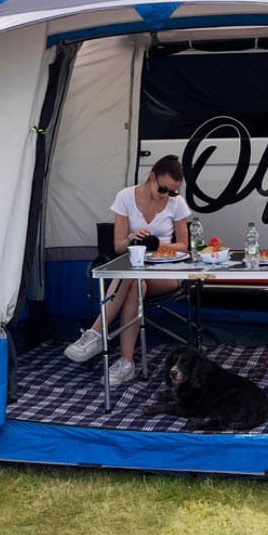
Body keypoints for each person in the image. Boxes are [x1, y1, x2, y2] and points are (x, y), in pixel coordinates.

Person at [64, 155, 190, 387]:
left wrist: (156, 244)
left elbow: (183, 245)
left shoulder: (177, 203)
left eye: (172, 191)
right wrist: (132, 238)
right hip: (135, 270)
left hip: (165, 272)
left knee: (132, 277)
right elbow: (119, 245)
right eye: (164, 189)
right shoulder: (126, 197)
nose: (167, 195)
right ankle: (126, 362)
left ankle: (95, 334)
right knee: (135, 283)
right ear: (152, 177)